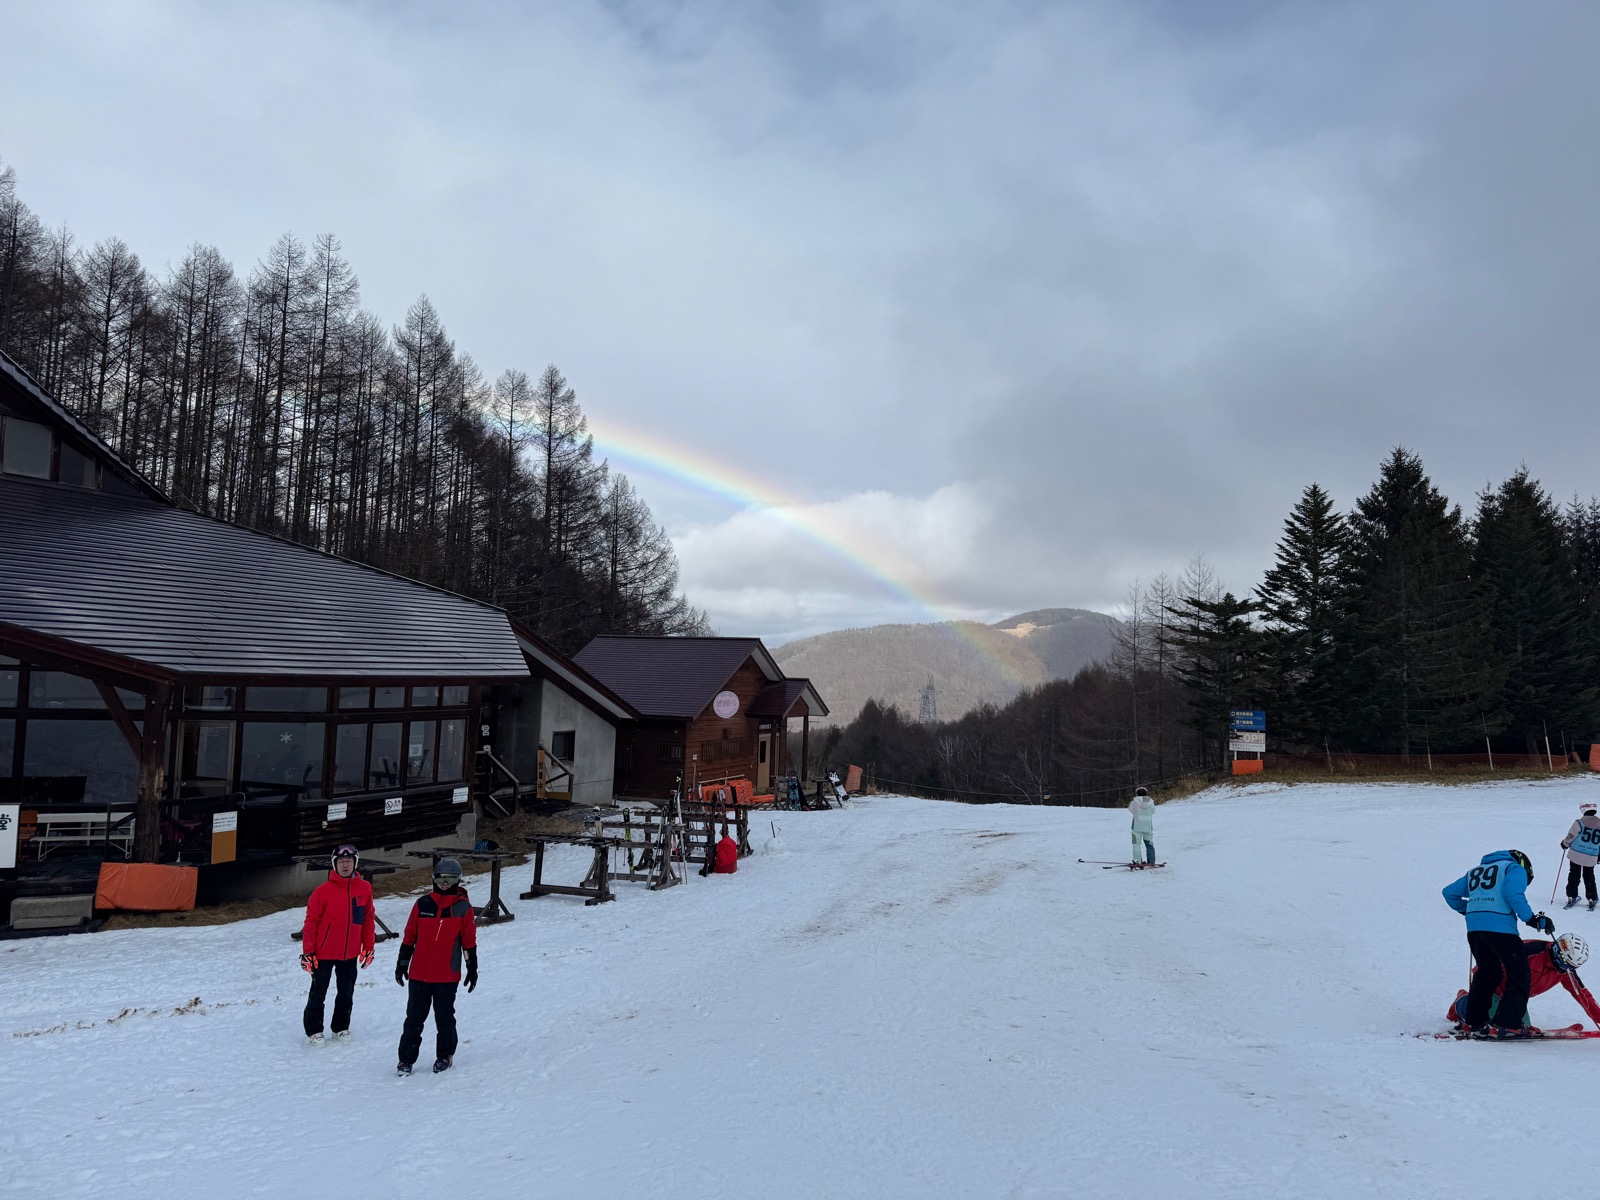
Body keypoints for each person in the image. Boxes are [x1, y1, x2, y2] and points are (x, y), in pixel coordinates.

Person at [1442, 849, 1556, 1038]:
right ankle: (1507, 1023)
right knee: (1519, 973)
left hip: (1475, 930)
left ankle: (1475, 1022)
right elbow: (1513, 894)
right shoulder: (1513, 868)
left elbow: (1449, 893)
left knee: (1488, 972)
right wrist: (1532, 919)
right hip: (1501, 930)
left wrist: (1471, 911)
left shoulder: (1475, 871)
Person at [394, 857, 478, 1075]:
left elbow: (468, 941)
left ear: (458, 880)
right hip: (419, 974)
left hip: (446, 976)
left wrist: (472, 967)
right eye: (441, 878)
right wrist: (402, 963)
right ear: (434, 878)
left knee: (445, 1018)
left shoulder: (463, 908)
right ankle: (406, 1059)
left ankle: (445, 1055)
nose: (445, 883)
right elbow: (410, 935)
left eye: (450, 879)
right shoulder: (423, 904)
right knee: (413, 1019)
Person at [300, 843, 375, 1046]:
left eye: (348, 861)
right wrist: (308, 952)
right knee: (319, 992)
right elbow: (311, 922)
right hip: (323, 953)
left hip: (349, 953)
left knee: (346, 992)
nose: (345, 865)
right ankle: (314, 1030)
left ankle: (340, 1027)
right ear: (334, 864)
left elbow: (368, 918)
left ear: (354, 863)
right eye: (341, 861)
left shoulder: (365, 888)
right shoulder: (322, 892)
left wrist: (368, 946)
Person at [1446, 933, 1600, 1031]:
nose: (1562, 966)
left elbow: (1583, 995)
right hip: (1490, 987)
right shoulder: (1532, 952)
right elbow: (1493, 962)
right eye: (1561, 959)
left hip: (1515, 997)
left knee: (1521, 1026)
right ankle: (1462, 1002)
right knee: (1485, 1018)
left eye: (1568, 965)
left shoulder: (1566, 972)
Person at [1560, 801, 1600, 911]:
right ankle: (1592, 898)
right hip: (1591, 855)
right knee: (1589, 876)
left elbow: (1571, 835)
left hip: (1576, 854)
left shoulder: (1579, 822)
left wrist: (1564, 844)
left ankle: (1571, 896)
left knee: (1574, 874)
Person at [1129, 786, 1156, 866]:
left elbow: (1130, 810)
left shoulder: (1133, 802)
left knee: (1135, 843)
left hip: (1136, 827)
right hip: (1148, 827)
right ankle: (1151, 861)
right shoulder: (1151, 802)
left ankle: (1137, 861)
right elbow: (1153, 811)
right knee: (1149, 844)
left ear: (1137, 793)